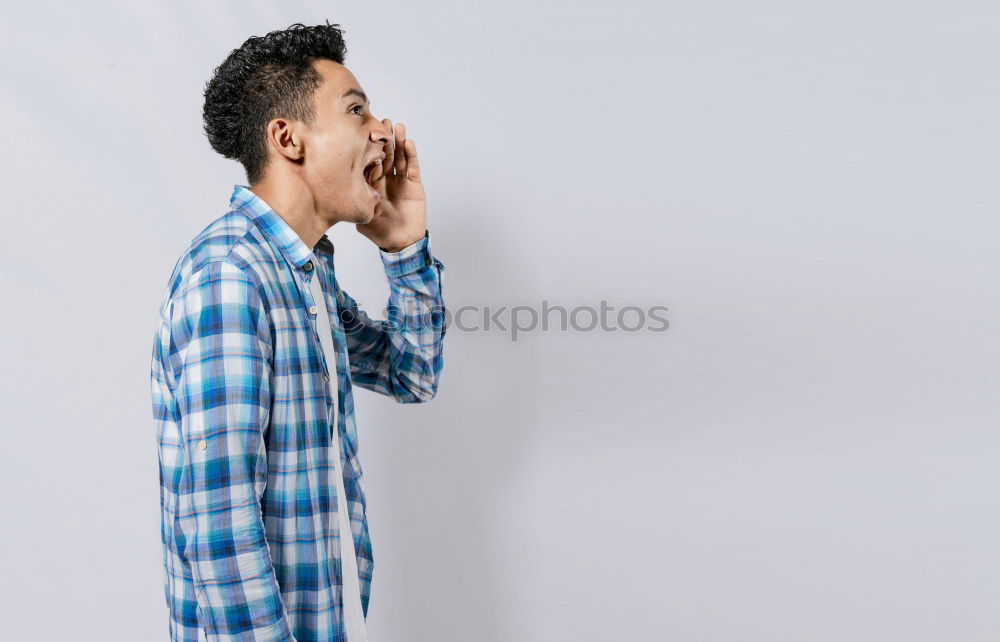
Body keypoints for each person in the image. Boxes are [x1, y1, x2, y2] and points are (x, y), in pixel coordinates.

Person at [149, 22, 447, 641]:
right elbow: (221, 526)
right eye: (356, 109)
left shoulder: (305, 275)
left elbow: (411, 375)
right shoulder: (231, 274)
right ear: (288, 139)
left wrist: (405, 248)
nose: (383, 131)